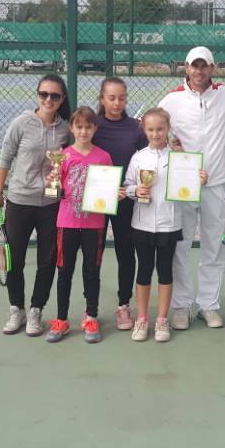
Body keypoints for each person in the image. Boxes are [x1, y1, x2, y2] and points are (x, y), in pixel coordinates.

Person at [158, 46, 225, 331]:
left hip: (217, 183)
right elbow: (152, 128)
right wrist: (171, 147)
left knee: (214, 246)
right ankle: (181, 305)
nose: (199, 71)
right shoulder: (172, 99)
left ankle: (208, 304)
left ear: (212, 68)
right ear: (186, 68)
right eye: (194, 65)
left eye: (204, 66)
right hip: (184, 186)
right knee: (180, 245)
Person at [0, 74, 72, 337]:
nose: (48, 99)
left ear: (62, 99)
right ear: (37, 95)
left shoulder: (66, 129)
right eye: (43, 94)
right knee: (14, 259)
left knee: (47, 261)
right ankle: (17, 309)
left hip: (51, 203)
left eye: (55, 95)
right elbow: (5, 159)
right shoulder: (21, 123)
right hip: (19, 200)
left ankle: (36, 310)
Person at [124, 108, 208, 343]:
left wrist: (199, 180)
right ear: (144, 130)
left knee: (165, 271)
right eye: (150, 129)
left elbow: (188, 186)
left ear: (168, 129)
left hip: (169, 224)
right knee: (143, 271)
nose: (155, 134)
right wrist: (135, 190)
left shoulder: (179, 158)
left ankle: (162, 319)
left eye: (160, 129)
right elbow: (128, 185)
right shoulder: (138, 157)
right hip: (142, 223)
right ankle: (142, 319)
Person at [46, 107, 120, 344]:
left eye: (88, 127)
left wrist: (114, 194)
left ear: (95, 128)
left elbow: (108, 189)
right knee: (64, 271)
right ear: (71, 128)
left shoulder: (103, 157)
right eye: (79, 127)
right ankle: (61, 319)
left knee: (92, 271)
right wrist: (52, 180)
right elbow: (55, 191)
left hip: (94, 224)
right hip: (66, 223)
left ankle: (91, 316)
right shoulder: (63, 156)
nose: (83, 131)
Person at [93, 77, 148, 332]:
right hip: (97, 200)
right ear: (102, 99)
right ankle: (91, 308)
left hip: (126, 200)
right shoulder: (92, 126)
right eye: (111, 98)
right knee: (93, 254)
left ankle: (124, 304)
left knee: (126, 253)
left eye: (121, 98)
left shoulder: (136, 128)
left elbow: (147, 162)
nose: (117, 103)